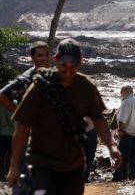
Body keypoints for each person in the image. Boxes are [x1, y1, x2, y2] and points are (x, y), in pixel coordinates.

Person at [6, 38, 121, 194]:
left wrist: (112, 146)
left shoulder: (86, 87)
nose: (67, 71)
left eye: (72, 66)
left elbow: (98, 119)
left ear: (80, 62)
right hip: (43, 165)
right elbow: (22, 128)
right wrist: (14, 166)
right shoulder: (42, 85)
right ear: (56, 60)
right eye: (63, 66)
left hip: (73, 167)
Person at [0, 41, 51, 194]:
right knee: (22, 183)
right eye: (40, 55)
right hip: (26, 138)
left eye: (46, 55)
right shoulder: (27, 78)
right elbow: (2, 95)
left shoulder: (52, 76)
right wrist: (20, 113)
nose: (44, 58)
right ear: (32, 58)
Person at [112, 86, 135, 181]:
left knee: (121, 156)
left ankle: (117, 177)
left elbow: (122, 119)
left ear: (125, 92)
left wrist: (120, 130)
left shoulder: (126, 102)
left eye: (121, 92)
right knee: (134, 156)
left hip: (126, 133)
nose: (120, 95)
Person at [0, 106, 15, 181]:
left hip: (2, 133)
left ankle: (1, 175)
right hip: (12, 133)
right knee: (11, 156)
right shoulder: (13, 103)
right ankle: (9, 174)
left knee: (1, 155)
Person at [83, 117, 98, 183]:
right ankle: (84, 176)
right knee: (89, 156)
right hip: (89, 131)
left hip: (89, 131)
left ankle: (84, 176)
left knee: (89, 156)